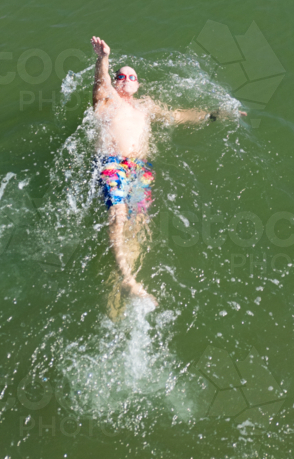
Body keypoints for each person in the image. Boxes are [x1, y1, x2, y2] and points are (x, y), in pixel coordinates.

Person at [90, 35, 243, 312]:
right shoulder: (107, 100)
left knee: (139, 228)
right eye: (120, 75)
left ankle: (123, 279)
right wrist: (103, 60)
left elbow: (180, 116)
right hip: (114, 163)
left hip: (140, 170)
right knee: (119, 213)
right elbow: (100, 84)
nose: (125, 78)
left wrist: (216, 114)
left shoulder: (146, 106)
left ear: (138, 84)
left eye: (131, 76)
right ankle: (126, 278)